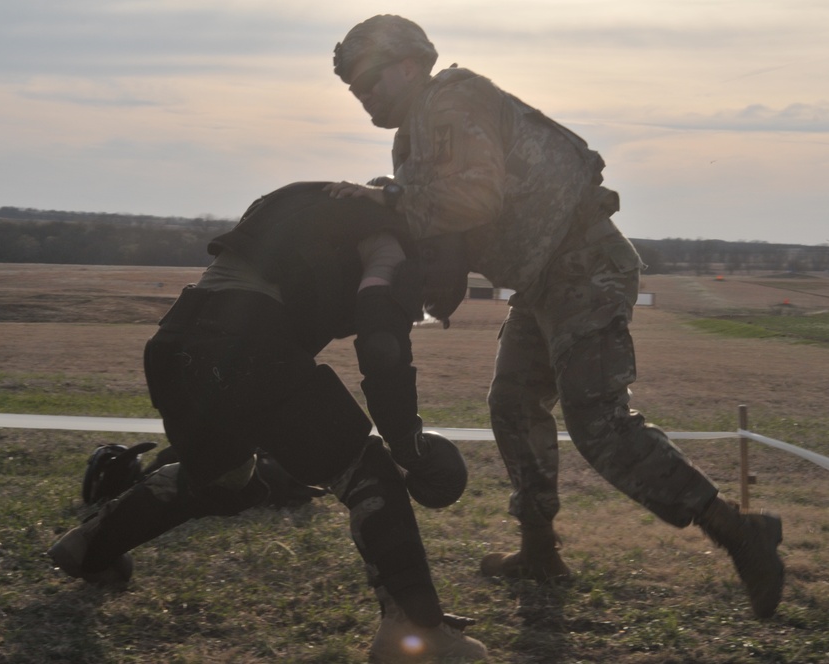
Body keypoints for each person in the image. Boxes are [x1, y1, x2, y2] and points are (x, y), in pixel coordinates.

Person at [327, 15, 785, 620]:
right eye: (355, 91)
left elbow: (475, 195)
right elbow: (439, 215)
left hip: (583, 265)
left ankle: (739, 532)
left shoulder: (451, 100)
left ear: (409, 66)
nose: (364, 98)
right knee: (513, 404)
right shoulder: (417, 130)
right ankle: (539, 551)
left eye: (370, 82)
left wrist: (387, 199)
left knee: (599, 424)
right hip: (546, 280)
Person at [47, 181, 488, 663]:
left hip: (175, 345)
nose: (421, 305)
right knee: (364, 468)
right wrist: (406, 442)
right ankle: (416, 627)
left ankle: (90, 546)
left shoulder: (301, 198)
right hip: (246, 345)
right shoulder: (388, 236)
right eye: (428, 298)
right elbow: (381, 343)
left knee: (223, 480)